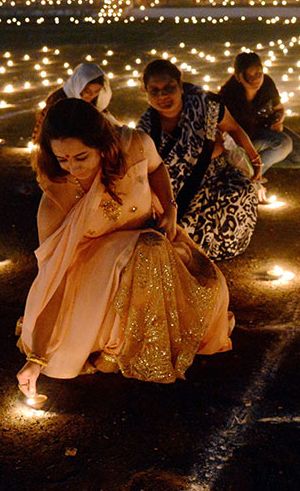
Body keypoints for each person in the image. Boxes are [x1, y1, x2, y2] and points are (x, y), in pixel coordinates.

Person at [16, 99, 234, 398]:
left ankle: (147, 334)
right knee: (149, 247)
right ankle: (118, 342)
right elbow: (56, 277)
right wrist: (36, 358)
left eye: (81, 156)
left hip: (154, 250)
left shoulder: (136, 145)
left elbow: (157, 169)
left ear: (104, 146)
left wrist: (170, 208)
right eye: (62, 159)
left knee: (211, 289)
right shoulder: (57, 200)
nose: (73, 168)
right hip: (94, 277)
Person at [137, 59, 260, 260]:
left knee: (239, 194)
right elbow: (146, 173)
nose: (162, 96)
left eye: (169, 88)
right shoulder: (146, 128)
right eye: (154, 90)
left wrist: (256, 161)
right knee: (175, 235)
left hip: (214, 179)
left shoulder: (205, 105)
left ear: (180, 85)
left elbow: (233, 128)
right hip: (173, 192)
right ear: (146, 92)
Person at [218, 52, 300, 170]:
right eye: (250, 77)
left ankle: (249, 165)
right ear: (238, 77)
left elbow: (279, 108)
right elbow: (228, 132)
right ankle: (250, 177)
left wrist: (278, 120)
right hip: (243, 140)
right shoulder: (229, 96)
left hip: (266, 128)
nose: (255, 81)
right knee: (284, 144)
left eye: (259, 74)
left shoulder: (267, 84)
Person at [33, 62, 118, 140]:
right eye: (88, 92)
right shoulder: (58, 104)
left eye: (97, 91)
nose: (92, 96)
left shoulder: (94, 104)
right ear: (78, 87)